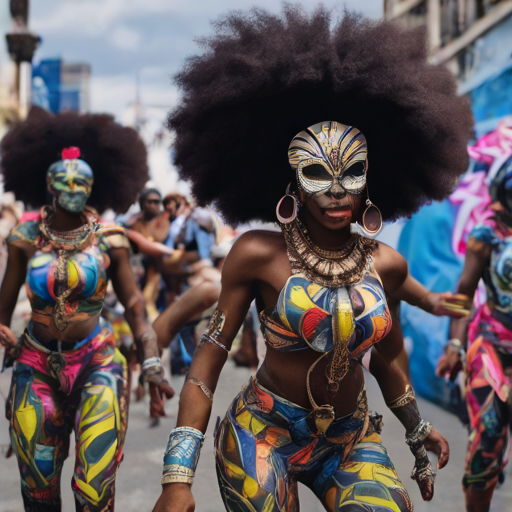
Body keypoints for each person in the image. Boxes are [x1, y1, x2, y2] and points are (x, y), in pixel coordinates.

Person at [152, 7, 473, 512]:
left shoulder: (386, 265)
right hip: (262, 434)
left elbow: (387, 356)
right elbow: (207, 360)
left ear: (372, 177)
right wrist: (176, 477)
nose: (339, 191)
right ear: (293, 182)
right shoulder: (257, 254)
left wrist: (417, 430)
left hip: (350, 440)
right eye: (318, 174)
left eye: (353, 172)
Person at [0, 107, 172, 512]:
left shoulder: (110, 238)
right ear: (49, 182)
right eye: (66, 177)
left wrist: (149, 359)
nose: (74, 185)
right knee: (38, 491)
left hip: (97, 362)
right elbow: (3, 304)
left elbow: (133, 303)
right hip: (36, 364)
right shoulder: (24, 239)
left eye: (83, 179)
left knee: (95, 493)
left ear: (95, 186)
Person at [437, 155, 512, 512]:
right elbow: (463, 295)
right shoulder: (487, 236)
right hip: (492, 344)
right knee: (488, 437)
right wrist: (454, 343)